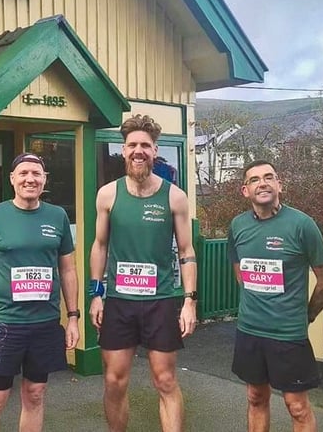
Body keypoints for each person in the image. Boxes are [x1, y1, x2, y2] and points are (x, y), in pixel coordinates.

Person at [89, 114, 197, 432]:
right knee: (114, 380)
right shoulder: (108, 195)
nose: (139, 151)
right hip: (119, 301)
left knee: (165, 380)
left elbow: (187, 251)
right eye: (132, 145)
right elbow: (100, 246)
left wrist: (189, 301)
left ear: (155, 150)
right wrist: (96, 294)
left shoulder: (175, 197)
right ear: (123, 150)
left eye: (145, 146)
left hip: (160, 301)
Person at [0, 152, 80, 432]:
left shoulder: (57, 216)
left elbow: (68, 269)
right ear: (12, 179)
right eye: (24, 173)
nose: (30, 179)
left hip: (44, 324)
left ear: (44, 180)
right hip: (7, 324)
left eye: (36, 174)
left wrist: (73, 318)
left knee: (35, 394)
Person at [227, 159, 323, 432]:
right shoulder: (237, 226)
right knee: (255, 397)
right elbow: (241, 273)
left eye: (268, 177)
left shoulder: (302, 225)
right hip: (250, 330)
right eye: (254, 179)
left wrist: (307, 315)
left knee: (297, 407)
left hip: (288, 334)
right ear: (245, 191)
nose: (262, 183)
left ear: (280, 185)